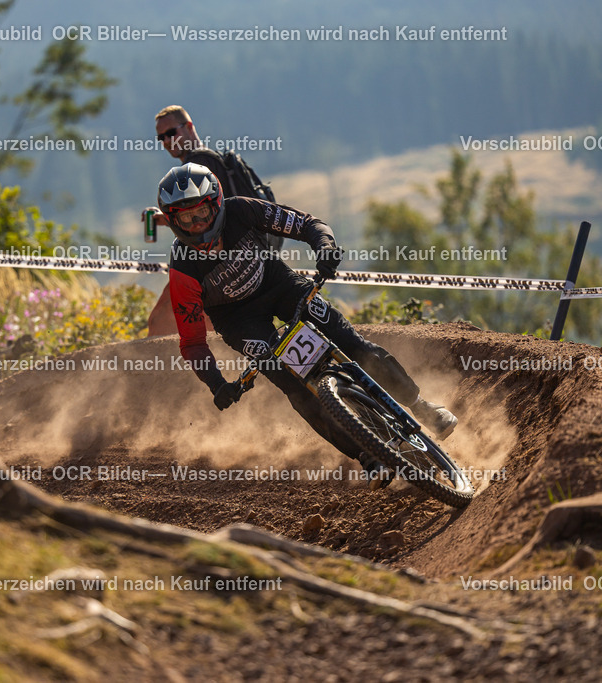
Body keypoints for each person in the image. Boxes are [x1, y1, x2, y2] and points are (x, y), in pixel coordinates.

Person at [156, 163, 457, 488]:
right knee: (296, 387)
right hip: (240, 321)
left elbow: (306, 223)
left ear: (216, 203)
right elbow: (192, 343)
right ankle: (367, 456)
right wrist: (217, 384)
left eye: (200, 213)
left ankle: (419, 405)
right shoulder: (183, 269)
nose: (196, 225)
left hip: (279, 286)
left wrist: (324, 246)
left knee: (352, 344)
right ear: (173, 222)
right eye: (185, 219)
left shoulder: (241, 210)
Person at [142, 105, 280, 336]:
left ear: (189, 127)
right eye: (160, 137)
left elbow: (203, 220)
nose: (166, 140)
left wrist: (164, 219)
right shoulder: (215, 160)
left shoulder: (197, 165)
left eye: (171, 133)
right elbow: (215, 212)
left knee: (161, 322)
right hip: (247, 260)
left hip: (217, 266)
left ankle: (164, 370)